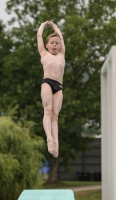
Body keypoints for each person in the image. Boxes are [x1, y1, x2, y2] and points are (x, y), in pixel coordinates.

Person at [37, 21, 65, 158]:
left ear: (60, 46)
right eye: (52, 43)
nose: (55, 45)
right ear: (47, 45)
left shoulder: (62, 55)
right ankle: (49, 138)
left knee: (55, 115)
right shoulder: (44, 53)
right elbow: (39, 35)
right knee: (47, 110)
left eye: (57, 43)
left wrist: (54, 26)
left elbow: (61, 36)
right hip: (47, 83)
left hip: (58, 86)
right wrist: (43, 25)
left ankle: (56, 142)